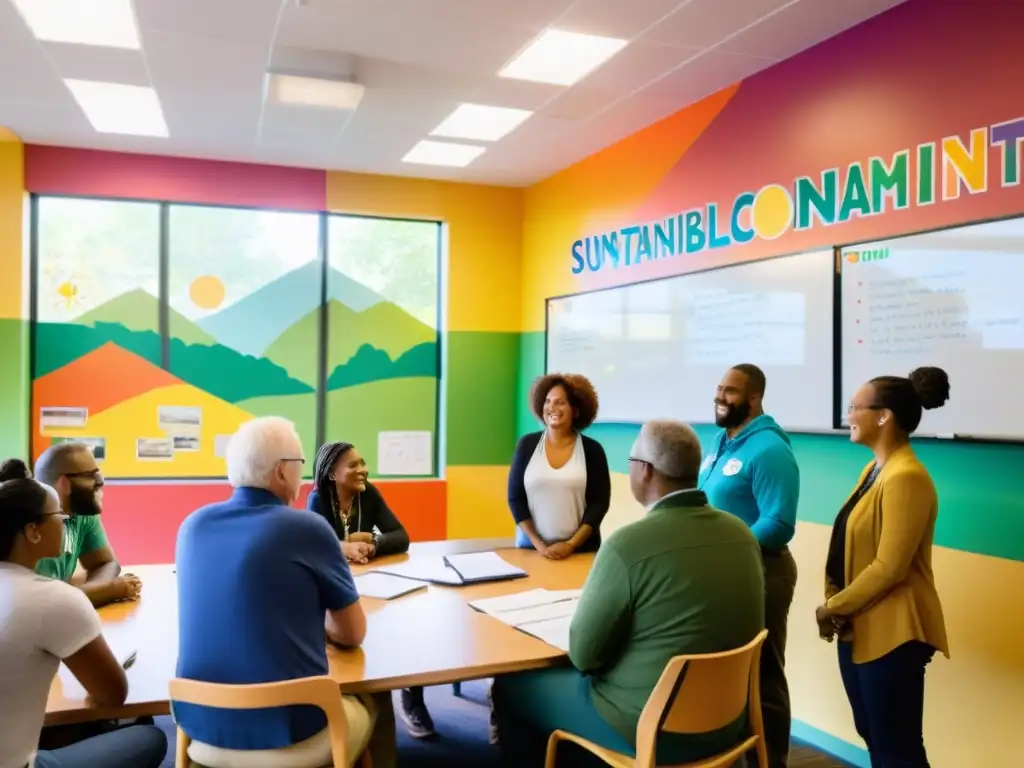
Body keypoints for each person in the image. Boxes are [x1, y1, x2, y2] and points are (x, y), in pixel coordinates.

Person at [493, 420, 765, 765]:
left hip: (648, 726)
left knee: (511, 687)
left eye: (631, 461)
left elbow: (584, 655)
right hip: (728, 721)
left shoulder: (628, 544)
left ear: (646, 471)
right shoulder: (741, 534)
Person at [174, 417, 377, 768]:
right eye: (299, 465)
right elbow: (352, 632)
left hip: (199, 723)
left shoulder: (192, 526)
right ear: (282, 472)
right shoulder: (307, 527)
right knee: (375, 701)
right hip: (290, 730)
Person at [816, 368, 950, 767]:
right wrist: (838, 606)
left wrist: (832, 607)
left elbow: (890, 567)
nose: (848, 415)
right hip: (860, 625)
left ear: (883, 416)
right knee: (875, 737)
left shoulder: (907, 476)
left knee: (897, 750)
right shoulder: (874, 470)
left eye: (854, 407)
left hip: (894, 633)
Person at [0, 458, 167, 768]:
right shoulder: (54, 600)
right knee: (149, 735)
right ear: (33, 531)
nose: (65, 521)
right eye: (58, 516)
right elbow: (111, 696)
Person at [697, 363, 799, 768]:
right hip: (725, 574)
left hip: (763, 573)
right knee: (729, 675)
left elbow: (778, 523)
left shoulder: (770, 449)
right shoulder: (722, 441)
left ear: (754, 398)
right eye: (719, 388)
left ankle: (770, 761)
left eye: (732, 391)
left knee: (764, 678)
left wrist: (727, 548)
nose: (721, 397)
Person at [308, 442, 429, 739]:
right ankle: (343, 695)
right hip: (336, 589)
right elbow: (313, 542)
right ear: (333, 474)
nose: (363, 470)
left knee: (406, 626)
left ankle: (412, 698)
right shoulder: (317, 500)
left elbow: (401, 536)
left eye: (363, 463)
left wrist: (374, 544)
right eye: (353, 466)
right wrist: (345, 546)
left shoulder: (369, 493)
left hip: (374, 583)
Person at [507, 373, 611, 558]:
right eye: (547, 401)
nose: (551, 407)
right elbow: (515, 499)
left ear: (575, 410)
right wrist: (539, 546)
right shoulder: (526, 445)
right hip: (531, 548)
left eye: (559, 402)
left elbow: (599, 504)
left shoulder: (592, 450)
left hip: (581, 550)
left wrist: (571, 545)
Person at [33, 442, 141, 608]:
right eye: (91, 476)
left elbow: (105, 563)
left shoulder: (80, 515)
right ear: (64, 484)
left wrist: (90, 592)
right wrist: (109, 590)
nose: (99, 482)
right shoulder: (27, 523)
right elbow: (40, 602)